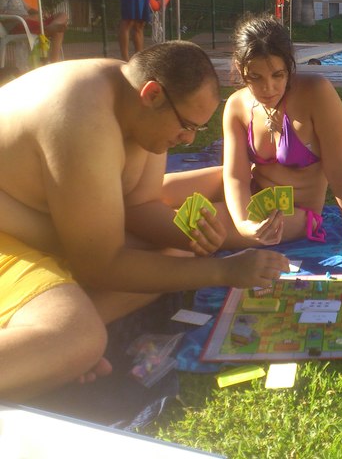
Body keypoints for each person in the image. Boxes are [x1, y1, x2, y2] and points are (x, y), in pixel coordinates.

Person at [0, 41, 288, 401]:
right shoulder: (82, 117)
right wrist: (224, 271)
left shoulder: (132, 101)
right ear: (152, 95)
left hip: (41, 228)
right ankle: (53, 350)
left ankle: (38, 353)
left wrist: (191, 237)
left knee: (175, 260)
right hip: (10, 238)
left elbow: (139, 207)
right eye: (186, 126)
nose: (188, 140)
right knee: (80, 338)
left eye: (197, 130)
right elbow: (100, 266)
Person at [220, 15, 342, 254]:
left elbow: (338, 169)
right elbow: (235, 176)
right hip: (252, 192)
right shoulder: (236, 105)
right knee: (162, 193)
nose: (268, 88)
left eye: (277, 75)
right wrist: (242, 223)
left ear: (289, 67)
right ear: (241, 70)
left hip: (299, 214)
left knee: (191, 225)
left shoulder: (316, 93)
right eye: (255, 77)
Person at [0, 0, 68, 63]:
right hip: (17, 24)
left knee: (62, 15)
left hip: (30, 21)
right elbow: (2, 13)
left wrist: (40, 13)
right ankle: (54, 62)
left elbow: (29, 8)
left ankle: (51, 27)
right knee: (58, 31)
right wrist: (27, 17)